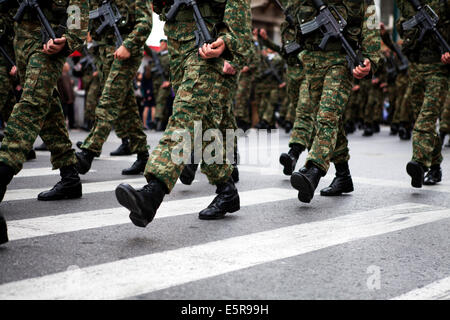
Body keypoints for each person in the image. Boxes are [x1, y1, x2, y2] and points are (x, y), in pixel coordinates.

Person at [115, 0, 252, 227]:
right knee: (203, 123)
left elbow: (239, 12)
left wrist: (228, 43)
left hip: (206, 43)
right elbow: (159, 8)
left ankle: (153, 192)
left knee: (185, 115)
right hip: (177, 47)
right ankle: (227, 191)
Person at [288, 0, 381, 203]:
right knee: (331, 122)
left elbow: (371, 25)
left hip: (341, 60)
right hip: (312, 60)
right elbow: (291, 17)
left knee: (327, 115)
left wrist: (370, 61)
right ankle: (343, 176)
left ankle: (313, 170)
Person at [0, 0, 89, 203]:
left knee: (31, 103)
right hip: (19, 42)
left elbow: (78, 6)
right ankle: (70, 176)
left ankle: (3, 169)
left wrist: (69, 39)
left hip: (48, 41)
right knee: (48, 109)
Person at [76, 0, 152, 176]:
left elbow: (145, 22)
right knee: (126, 107)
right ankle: (143, 155)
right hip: (104, 53)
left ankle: (89, 151)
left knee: (108, 100)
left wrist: (129, 45)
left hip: (126, 51)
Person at [397, 0, 450, 188]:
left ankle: (419, 163)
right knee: (420, 114)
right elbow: (402, 27)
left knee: (426, 117)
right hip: (416, 65)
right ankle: (435, 166)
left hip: (439, 65)